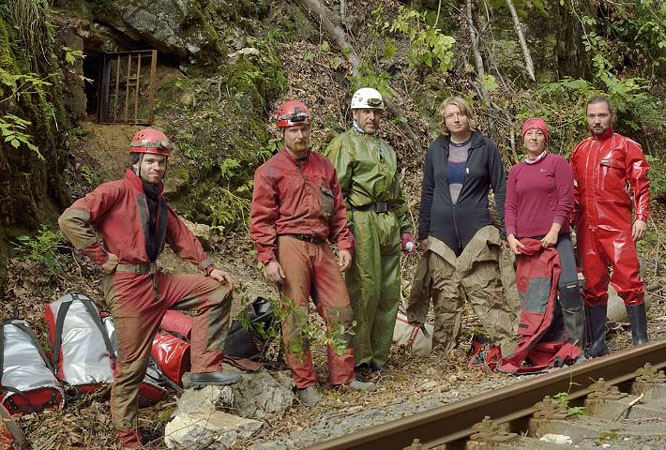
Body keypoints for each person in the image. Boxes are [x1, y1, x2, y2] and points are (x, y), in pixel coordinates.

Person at [58, 127, 240, 450]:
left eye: (161, 163)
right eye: (151, 162)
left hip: (156, 281)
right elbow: (70, 219)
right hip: (127, 286)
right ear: (137, 161)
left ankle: (204, 369)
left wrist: (209, 266)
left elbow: (181, 236)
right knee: (132, 367)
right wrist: (100, 256)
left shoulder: (158, 201)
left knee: (216, 292)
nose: (157, 168)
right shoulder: (116, 191)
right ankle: (128, 440)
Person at [249, 100, 374, 407]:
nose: (301, 135)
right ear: (283, 133)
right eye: (294, 130)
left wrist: (344, 243)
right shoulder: (269, 171)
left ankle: (343, 376)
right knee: (295, 315)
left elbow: (338, 210)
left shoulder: (324, 166)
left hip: (321, 245)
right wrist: (268, 257)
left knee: (341, 309)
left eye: (305, 129)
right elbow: (261, 218)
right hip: (289, 243)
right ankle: (304, 382)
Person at [408, 96, 517, 356]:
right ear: (444, 121)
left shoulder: (485, 147)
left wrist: (506, 230)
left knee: (487, 291)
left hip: (476, 232)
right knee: (445, 295)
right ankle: (445, 355)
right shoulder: (436, 149)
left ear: (468, 116)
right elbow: (428, 191)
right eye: (450, 115)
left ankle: (510, 349)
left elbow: (501, 189)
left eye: (460, 114)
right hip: (441, 234)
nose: (456, 119)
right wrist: (423, 233)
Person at [324, 87, 415, 376]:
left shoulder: (386, 150)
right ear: (354, 113)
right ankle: (359, 359)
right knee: (364, 291)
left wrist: (404, 229)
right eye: (366, 112)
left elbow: (397, 194)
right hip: (361, 222)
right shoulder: (343, 145)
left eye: (376, 112)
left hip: (386, 220)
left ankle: (378, 357)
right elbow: (334, 193)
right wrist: (342, 231)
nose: (372, 117)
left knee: (388, 292)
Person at [570, 95, 650, 358]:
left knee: (629, 279)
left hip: (616, 224)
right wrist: (569, 221)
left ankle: (640, 338)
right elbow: (573, 191)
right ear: (586, 118)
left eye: (601, 115)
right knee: (593, 284)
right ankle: (597, 342)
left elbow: (640, 182)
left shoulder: (626, 146)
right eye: (592, 115)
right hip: (587, 227)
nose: (597, 120)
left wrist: (641, 216)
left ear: (611, 116)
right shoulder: (580, 150)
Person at [506, 117, 583, 348]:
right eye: (529, 133)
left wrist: (554, 230)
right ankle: (548, 341)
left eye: (539, 133)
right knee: (537, 295)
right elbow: (510, 206)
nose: (534, 137)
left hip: (556, 238)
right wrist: (511, 236)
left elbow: (566, 200)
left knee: (568, 286)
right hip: (527, 242)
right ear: (523, 138)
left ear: (545, 138)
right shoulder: (516, 171)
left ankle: (576, 343)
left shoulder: (557, 163)